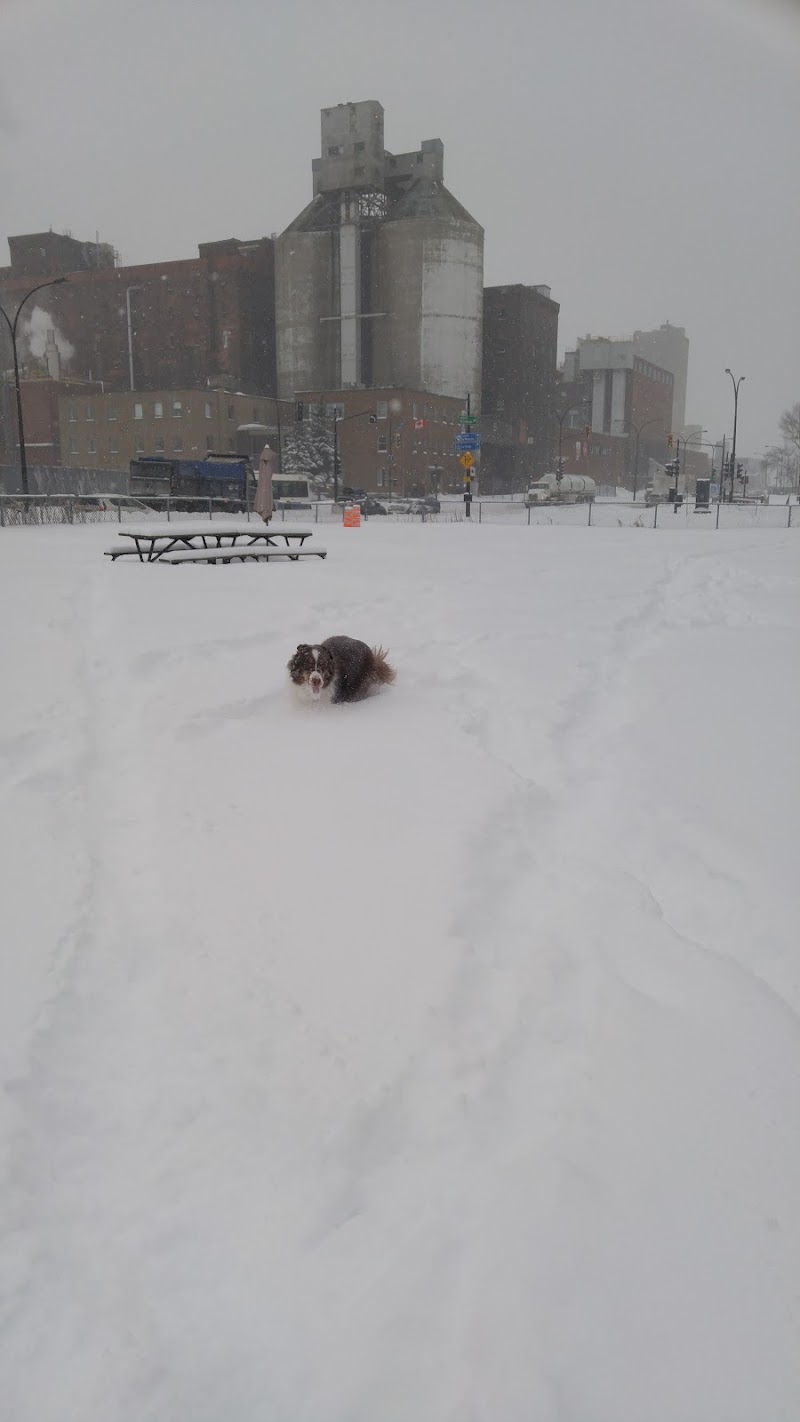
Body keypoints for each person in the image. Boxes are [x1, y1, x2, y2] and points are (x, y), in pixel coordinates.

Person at [254, 444, 274, 522]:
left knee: (264, 498)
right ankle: (266, 512)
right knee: (266, 499)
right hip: (266, 486)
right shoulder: (267, 466)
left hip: (264, 486)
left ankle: (265, 512)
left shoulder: (263, 466)